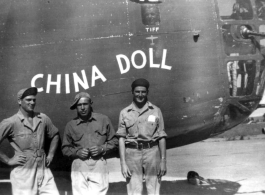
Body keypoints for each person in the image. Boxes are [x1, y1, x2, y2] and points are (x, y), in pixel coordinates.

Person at [0, 87, 60, 195]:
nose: (32, 102)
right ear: (19, 101)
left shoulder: (43, 118)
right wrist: (8, 160)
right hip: (23, 171)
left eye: (34, 100)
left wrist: (50, 155)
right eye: (28, 100)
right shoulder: (10, 122)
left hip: (43, 169)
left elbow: (55, 134)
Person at [116, 78, 167, 195]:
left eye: (143, 92)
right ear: (132, 92)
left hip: (152, 153)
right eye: (137, 92)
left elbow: (161, 136)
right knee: (134, 190)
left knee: (153, 189)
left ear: (147, 92)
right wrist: (123, 163)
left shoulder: (156, 111)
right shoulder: (124, 112)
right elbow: (121, 138)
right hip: (132, 153)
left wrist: (163, 161)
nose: (140, 95)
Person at [61, 92, 118, 195]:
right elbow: (65, 148)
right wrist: (77, 152)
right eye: (79, 105)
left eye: (85, 104)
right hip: (79, 164)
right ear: (76, 107)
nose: (82, 108)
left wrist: (102, 149)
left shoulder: (103, 120)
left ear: (90, 104)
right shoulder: (70, 125)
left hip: (99, 163)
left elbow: (114, 141)